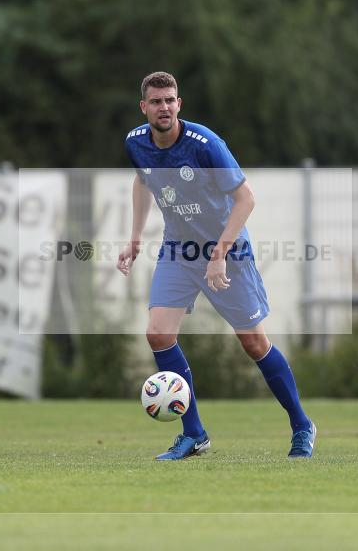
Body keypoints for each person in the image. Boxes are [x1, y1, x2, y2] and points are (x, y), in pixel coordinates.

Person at [117, 71, 316, 460]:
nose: (164, 107)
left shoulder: (206, 145)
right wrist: (135, 238)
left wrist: (220, 253)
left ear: (180, 104)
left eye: (170, 100)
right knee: (158, 335)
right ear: (144, 107)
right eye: (156, 101)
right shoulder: (135, 143)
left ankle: (301, 424)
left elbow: (246, 199)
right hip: (178, 250)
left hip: (226, 250)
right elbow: (143, 182)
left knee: (254, 343)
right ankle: (194, 434)